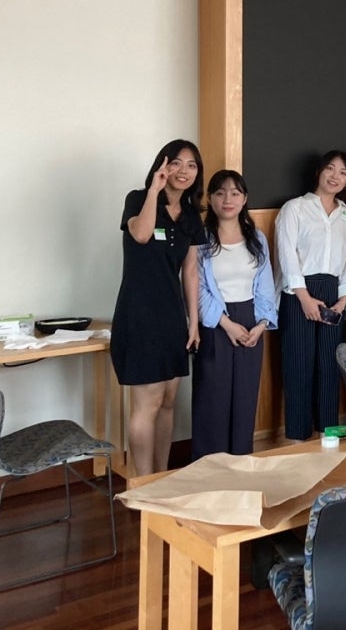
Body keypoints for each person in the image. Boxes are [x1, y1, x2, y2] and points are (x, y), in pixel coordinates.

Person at [111, 140, 205, 476]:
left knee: (167, 404)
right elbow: (140, 234)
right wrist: (155, 190)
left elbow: (191, 272)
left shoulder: (193, 216)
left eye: (191, 165)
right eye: (176, 163)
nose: (183, 171)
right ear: (161, 166)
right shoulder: (138, 199)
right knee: (146, 405)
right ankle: (142, 483)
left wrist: (193, 322)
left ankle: (161, 477)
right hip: (139, 315)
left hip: (172, 318)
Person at [193, 170, 277, 459]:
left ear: (244, 200)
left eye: (235, 193)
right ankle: (209, 471)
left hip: (251, 321)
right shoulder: (200, 239)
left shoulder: (257, 239)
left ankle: (241, 467)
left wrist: (262, 324)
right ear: (211, 200)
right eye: (220, 193)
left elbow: (266, 284)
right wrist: (226, 324)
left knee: (244, 400)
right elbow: (197, 289)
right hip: (216, 322)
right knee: (212, 401)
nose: (228, 199)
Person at [274, 151, 346, 441]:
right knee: (299, 366)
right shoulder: (294, 208)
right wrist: (304, 297)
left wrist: (344, 300)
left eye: (343, 172)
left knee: (328, 367)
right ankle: (297, 436)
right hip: (298, 294)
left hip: (334, 294)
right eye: (330, 169)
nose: (335, 176)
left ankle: (328, 434)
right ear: (319, 172)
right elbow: (286, 254)